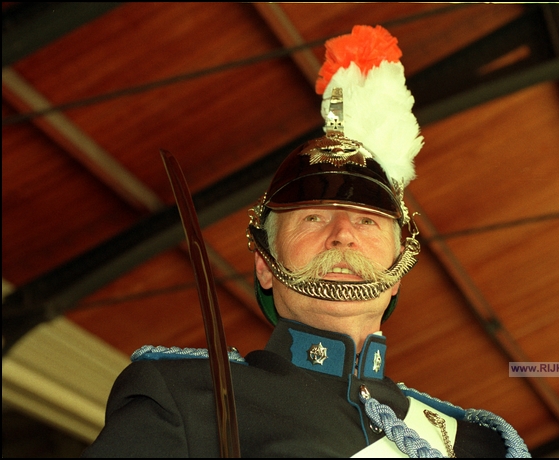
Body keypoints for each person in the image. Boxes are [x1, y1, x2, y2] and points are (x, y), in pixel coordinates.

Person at [81, 25, 530, 458]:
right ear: (264, 264)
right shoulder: (183, 399)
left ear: (398, 271)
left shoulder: (473, 444)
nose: (342, 235)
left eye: (368, 222)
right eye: (313, 218)